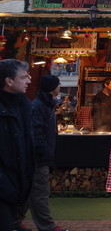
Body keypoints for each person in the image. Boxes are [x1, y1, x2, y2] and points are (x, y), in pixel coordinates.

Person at [15, 75, 69, 231]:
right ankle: (47, 226)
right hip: (38, 157)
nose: (60, 87)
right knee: (40, 192)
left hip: (39, 156)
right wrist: (43, 153)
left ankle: (13, 222)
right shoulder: (38, 106)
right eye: (58, 84)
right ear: (53, 88)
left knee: (28, 191)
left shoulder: (46, 104)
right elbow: (36, 133)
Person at [0, 59, 33, 231]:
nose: (29, 81)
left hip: (18, 187)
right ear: (9, 81)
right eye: (24, 77)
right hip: (5, 188)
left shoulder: (24, 106)